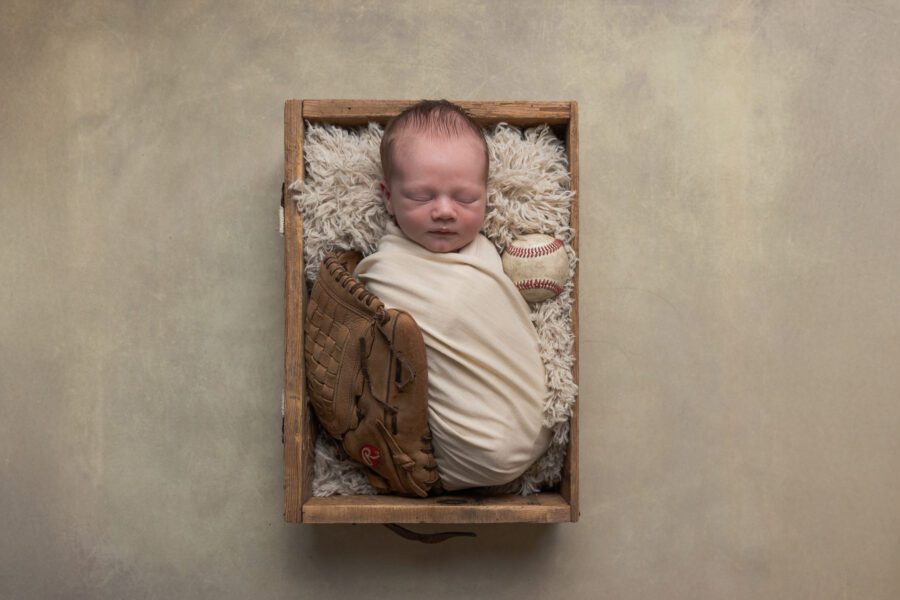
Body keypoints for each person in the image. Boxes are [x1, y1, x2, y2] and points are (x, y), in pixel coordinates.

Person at [355, 100, 551, 493]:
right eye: (421, 197)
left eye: (465, 199)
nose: (444, 212)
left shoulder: (489, 255)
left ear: (487, 196)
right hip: (448, 458)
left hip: (529, 431)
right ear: (389, 197)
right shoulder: (386, 273)